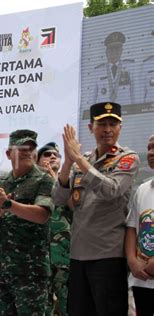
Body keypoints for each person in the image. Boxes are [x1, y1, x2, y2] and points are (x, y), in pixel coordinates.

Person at [52, 102, 140, 315]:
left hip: (108, 256)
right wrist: (67, 161)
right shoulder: (82, 161)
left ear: (120, 128)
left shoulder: (127, 158)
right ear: (91, 128)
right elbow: (58, 198)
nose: (107, 129)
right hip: (78, 255)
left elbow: (112, 190)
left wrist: (79, 160)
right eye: (102, 124)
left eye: (113, 124)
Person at [0, 130, 54, 315]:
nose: (28, 152)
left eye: (32, 148)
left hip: (32, 272)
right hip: (3, 270)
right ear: (9, 153)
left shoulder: (44, 180)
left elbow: (42, 214)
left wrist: (8, 204)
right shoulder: (0, 182)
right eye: (22, 148)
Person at [37, 142, 71, 316]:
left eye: (56, 155)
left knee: (68, 306)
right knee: (42, 308)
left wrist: (57, 183)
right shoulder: (31, 185)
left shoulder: (71, 183)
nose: (52, 157)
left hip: (64, 257)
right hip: (38, 259)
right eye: (47, 154)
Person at [125, 134, 154, 316]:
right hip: (142, 280)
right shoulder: (143, 190)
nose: (150, 152)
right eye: (149, 147)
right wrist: (132, 261)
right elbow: (131, 228)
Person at [92, 32, 134, 105]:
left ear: (121, 50)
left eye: (117, 49)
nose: (114, 52)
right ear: (106, 52)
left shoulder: (130, 67)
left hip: (125, 110)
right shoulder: (97, 71)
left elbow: (135, 92)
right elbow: (92, 97)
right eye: (111, 49)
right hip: (104, 110)